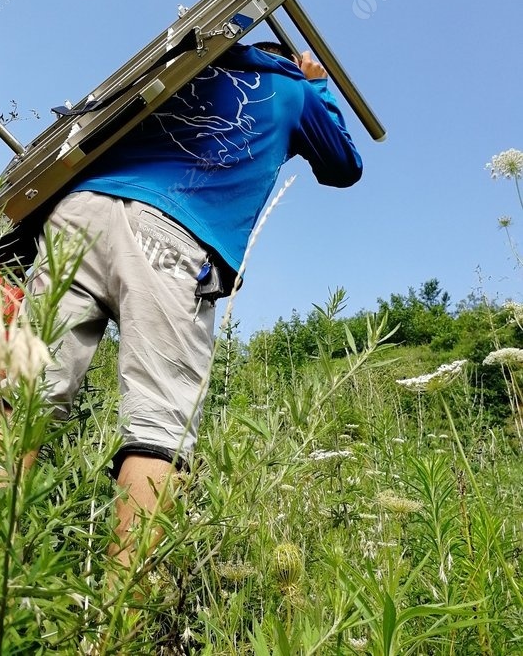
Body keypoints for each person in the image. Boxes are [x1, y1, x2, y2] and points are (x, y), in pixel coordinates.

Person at [21, 40, 362, 570]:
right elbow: (343, 164)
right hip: (170, 234)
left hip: (79, 210)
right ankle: (118, 621)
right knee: (159, 424)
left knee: (30, 398)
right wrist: (315, 81)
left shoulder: (190, 63)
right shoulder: (292, 89)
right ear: (285, 59)